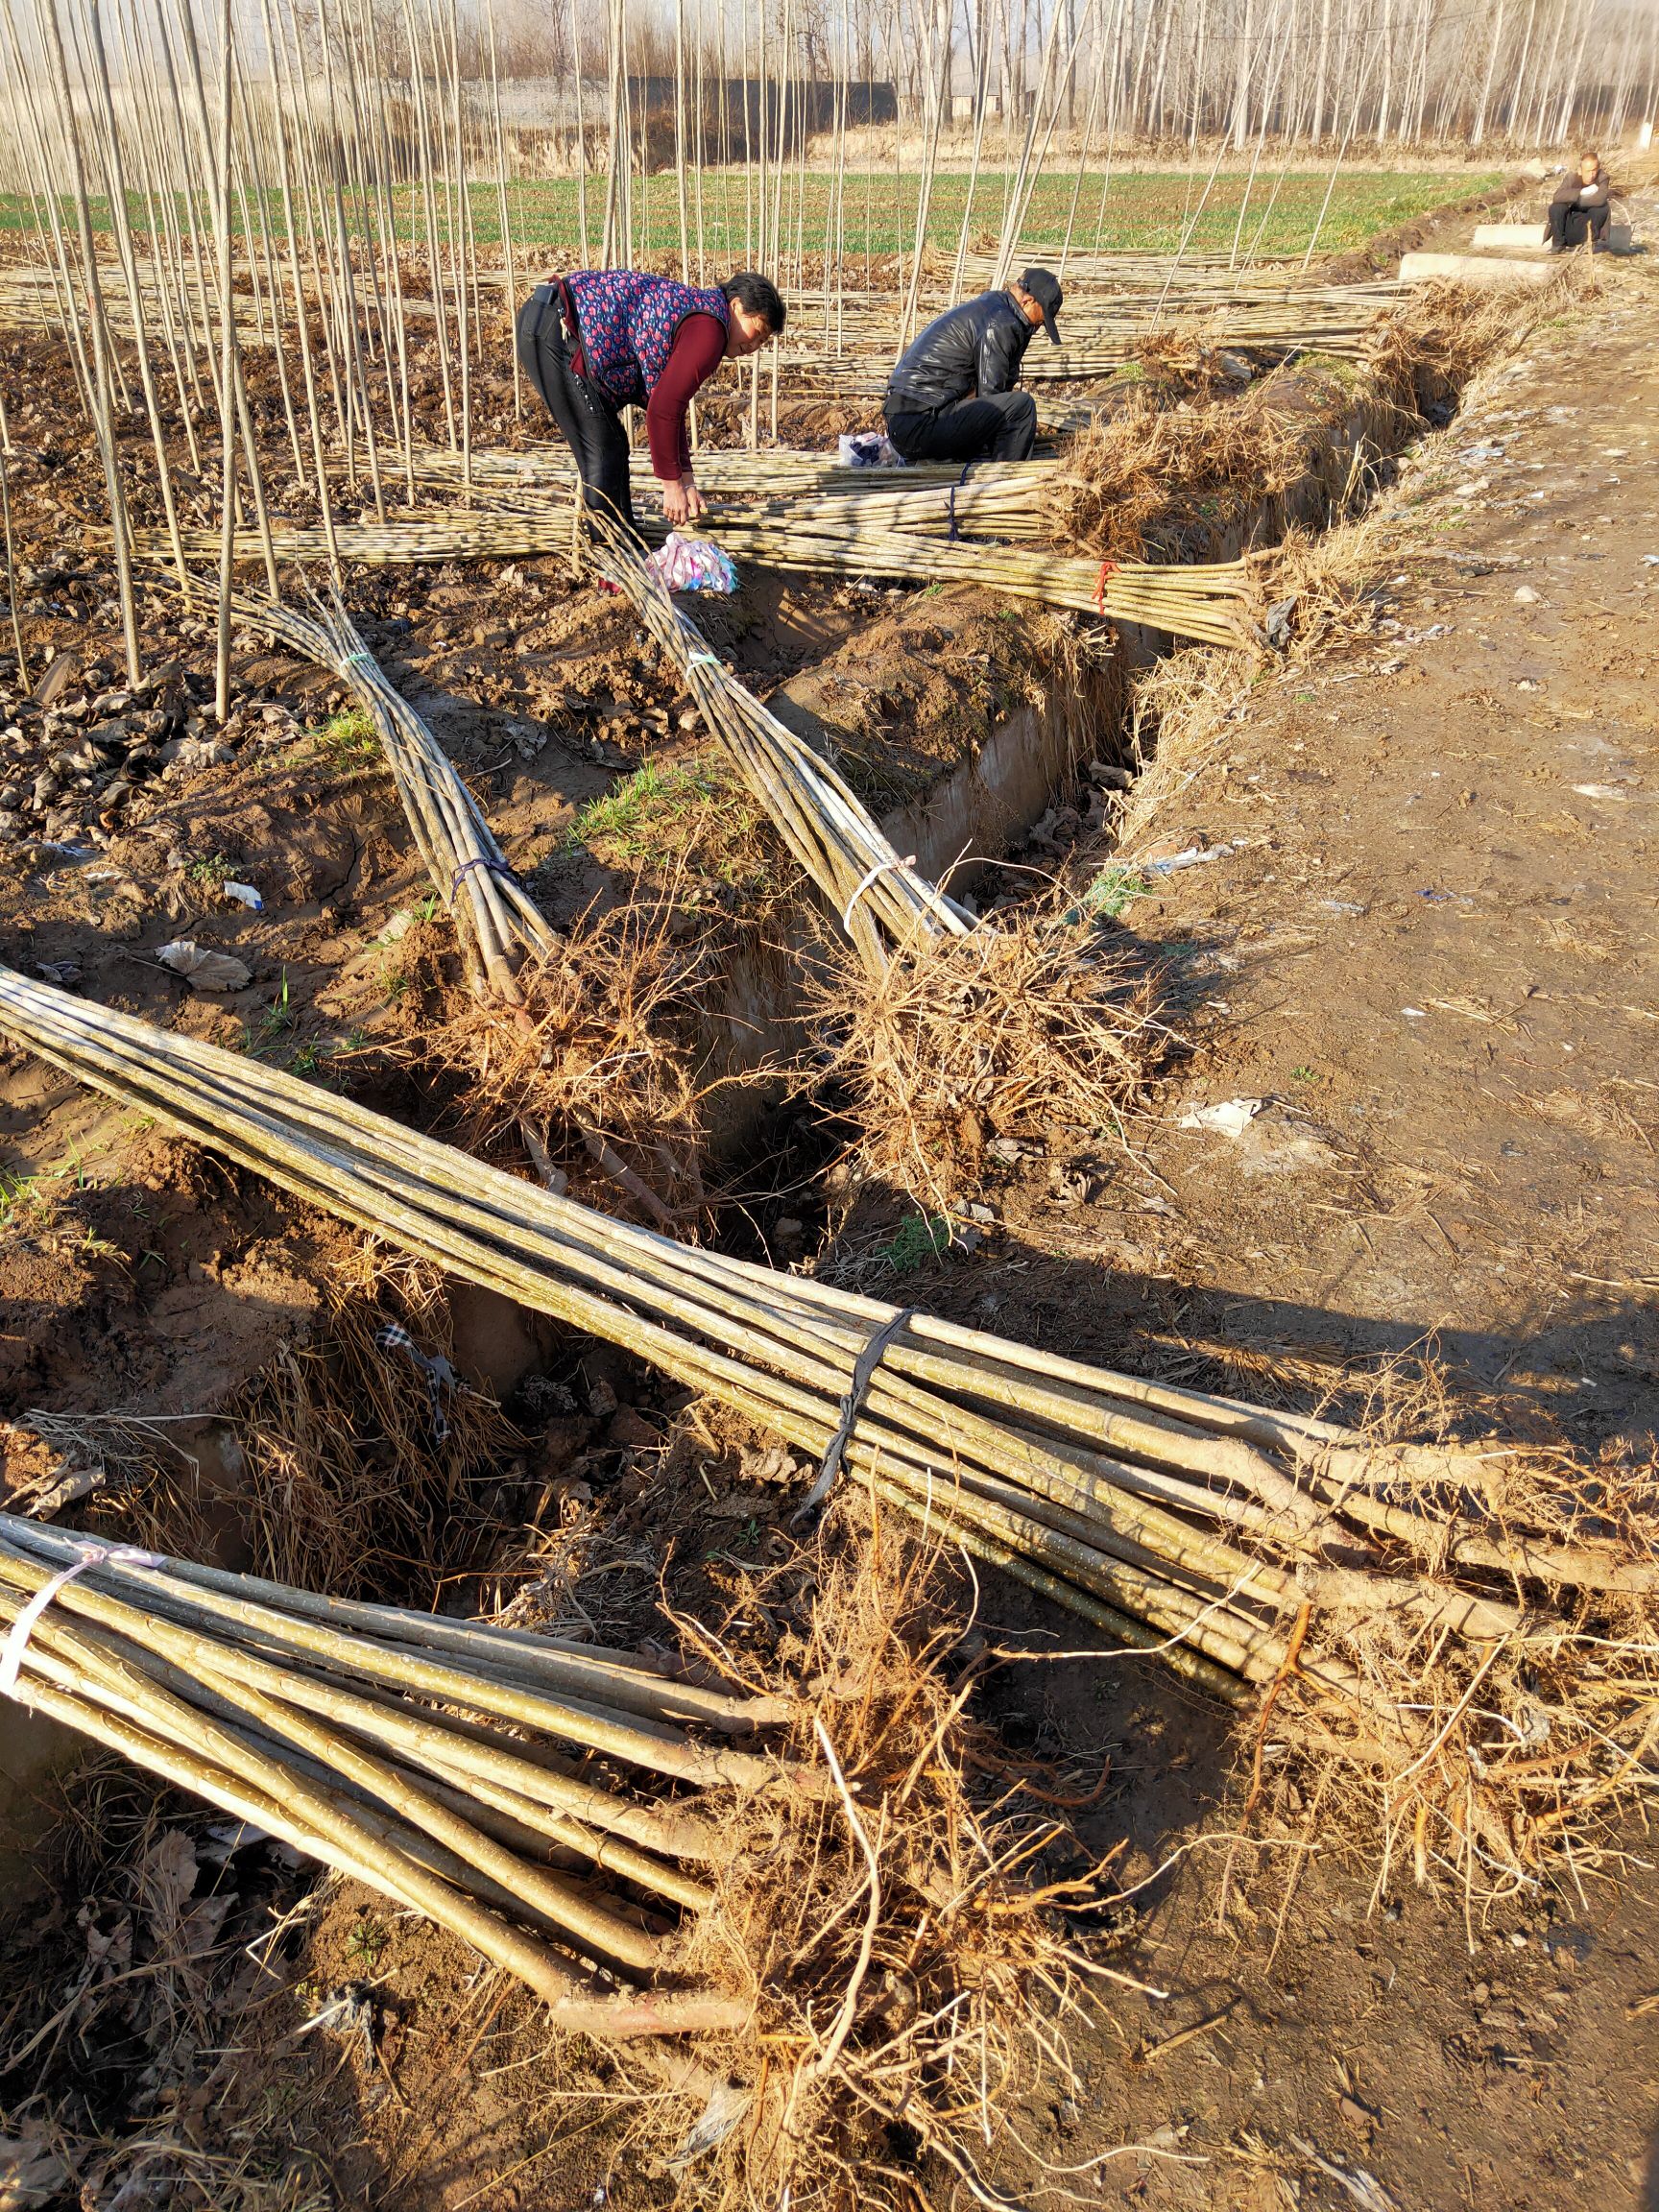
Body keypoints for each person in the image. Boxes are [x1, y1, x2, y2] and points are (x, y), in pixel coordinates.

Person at [515, 268, 784, 539]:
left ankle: (623, 543)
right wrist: (672, 488)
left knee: (613, 446)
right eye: (757, 331)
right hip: (556, 330)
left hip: (548, 320)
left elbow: (672, 407)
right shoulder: (710, 330)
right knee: (602, 452)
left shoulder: (705, 317)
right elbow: (662, 410)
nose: (754, 345)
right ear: (736, 306)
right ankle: (606, 556)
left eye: (763, 341)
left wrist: (687, 482)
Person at [881, 268, 1064, 468]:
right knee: (1021, 407)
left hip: (905, 421)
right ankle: (1004, 477)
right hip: (920, 423)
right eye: (1040, 321)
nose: (1036, 329)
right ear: (1028, 301)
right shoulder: (1001, 324)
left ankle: (944, 459)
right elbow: (992, 398)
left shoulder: (992, 305)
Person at [1547, 154, 1615, 252]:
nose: (1591, 175)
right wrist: (1582, 192)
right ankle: (1558, 244)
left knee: (1602, 208)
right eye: (1587, 171)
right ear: (1580, 171)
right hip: (1571, 224)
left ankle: (1588, 244)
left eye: (1594, 170)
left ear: (1598, 168)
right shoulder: (1571, 178)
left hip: (1589, 226)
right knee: (1556, 207)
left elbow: (1600, 199)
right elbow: (1557, 196)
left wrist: (1574, 200)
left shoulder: (1603, 178)